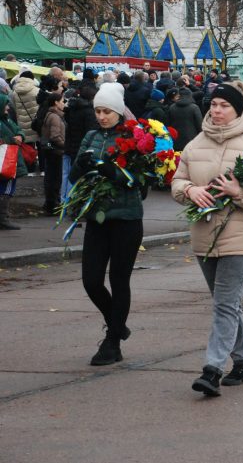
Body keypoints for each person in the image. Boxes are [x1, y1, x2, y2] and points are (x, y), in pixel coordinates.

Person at [172, 81, 243, 396]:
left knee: (225, 303)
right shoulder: (195, 144)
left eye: (224, 106)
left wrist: (237, 192)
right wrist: (190, 190)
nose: (216, 110)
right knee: (225, 302)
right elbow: (177, 181)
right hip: (205, 234)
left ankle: (212, 369)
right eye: (213, 105)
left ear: (238, 109)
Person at [69, 84, 145, 366]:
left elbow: (136, 180)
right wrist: (84, 164)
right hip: (98, 217)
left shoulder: (134, 136)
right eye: (98, 111)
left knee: (118, 279)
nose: (101, 116)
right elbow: (75, 175)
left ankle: (112, 343)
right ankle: (117, 323)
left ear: (118, 112)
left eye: (106, 112)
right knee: (90, 280)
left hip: (126, 218)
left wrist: (106, 167)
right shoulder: (90, 136)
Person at [64, 85, 99, 201]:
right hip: (80, 146)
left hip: (69, 144)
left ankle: (64, 200)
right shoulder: (89, 111)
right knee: (78, 176)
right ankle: (73, 202)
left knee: (66, 175)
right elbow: (91, 131)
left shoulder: (72, 107)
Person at [0, 94, 27, 230]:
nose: (8, 106)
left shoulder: (7, 120)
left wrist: (20, 136)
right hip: (6, 160)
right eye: (5, 104)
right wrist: (12, 138)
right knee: (7, 188)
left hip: (9, 158)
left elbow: (19, 130)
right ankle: (3, 219)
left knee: (6, 187)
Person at [40, 93, 67, 214]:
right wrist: (65, 146)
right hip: (56, 152)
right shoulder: (55, 117)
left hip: (52, 151)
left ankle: (51, 204)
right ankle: (53, 205)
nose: (64, 103)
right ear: (56, 103)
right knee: (55, 179)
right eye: (62, 101)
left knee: (52, 178)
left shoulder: (51, 115)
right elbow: (55, 136)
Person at [10, 71, 41, 175]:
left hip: (22, 123)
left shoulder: (15, 92)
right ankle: (42, 169)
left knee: (28, 147)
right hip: (36, 123)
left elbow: (14, 107)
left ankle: (29, 169)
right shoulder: (36, 90)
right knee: (40, 145)